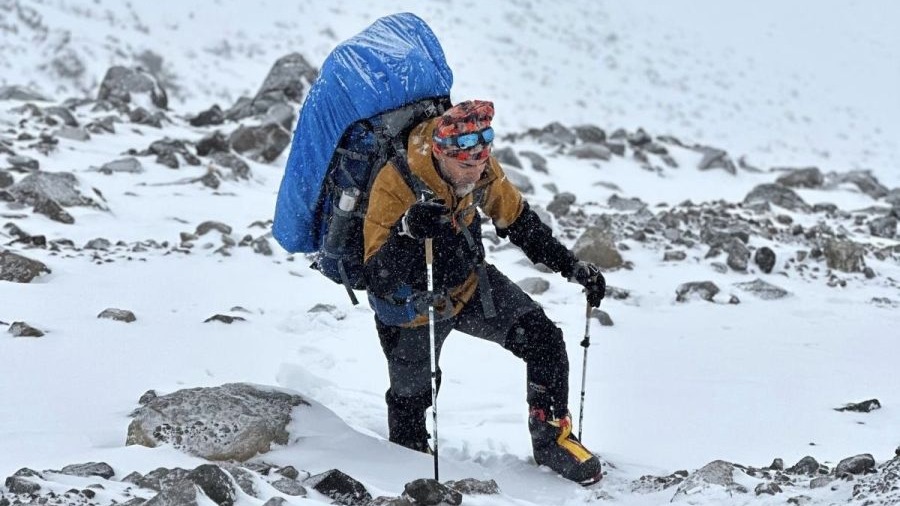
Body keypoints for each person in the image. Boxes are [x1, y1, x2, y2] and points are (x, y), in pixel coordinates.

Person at [363, 100, 607, 484]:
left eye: (481, 163)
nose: (476, 173)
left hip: (469, 284)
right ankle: (409, 472)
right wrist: (408, 233)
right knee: (413, 402)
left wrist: (571, 266)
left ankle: (552, 441)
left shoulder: (480, 166)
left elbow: (519, 221)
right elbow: (377, 275)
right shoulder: (396, 182)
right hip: (411, 306)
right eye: (465, 166)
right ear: (441, 154)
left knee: (543, 338)